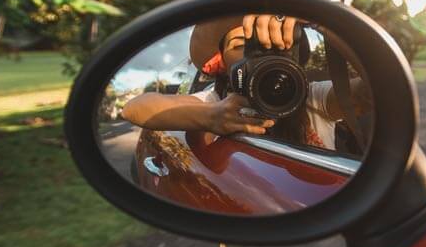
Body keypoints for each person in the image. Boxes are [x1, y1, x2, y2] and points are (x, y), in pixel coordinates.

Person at [122, 14, 370, 150]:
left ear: (288, 51)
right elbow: (135, 107)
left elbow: (375, 93)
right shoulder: (215, 101)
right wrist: (212, 117)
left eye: (265, 44)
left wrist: (332, 23)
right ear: (222, 62)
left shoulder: (310, 97)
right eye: (241, 45)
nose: (256, 54)